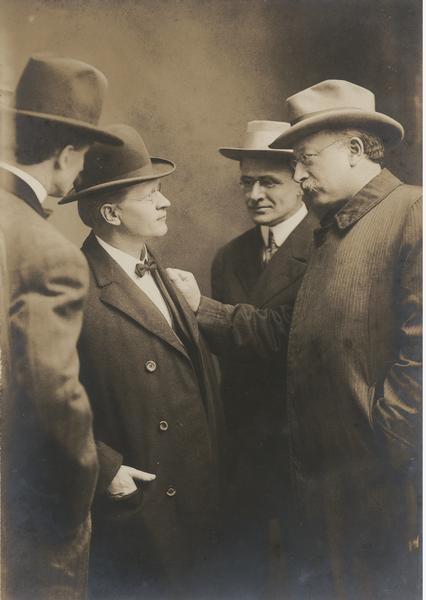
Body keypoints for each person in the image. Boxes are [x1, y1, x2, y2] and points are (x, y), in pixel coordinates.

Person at [168, 80, 422, 599]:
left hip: (372, 478)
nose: (299, 176)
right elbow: (293, 332)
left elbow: (420, 360)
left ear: (355, 150)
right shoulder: (336, 227)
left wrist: (382, 441)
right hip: (325, 480)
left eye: (305, 160)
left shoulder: (412, 213)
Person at [60, 124, 225, 599]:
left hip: (197, 495)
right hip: (143, 504)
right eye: (150, 194)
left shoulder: (165, 273)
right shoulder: (75, 286)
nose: (165, 202)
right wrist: (105, 468)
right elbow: (36, 399)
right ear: (111, 211)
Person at [0, 54, 123, 600]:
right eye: (83, 160)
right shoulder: (50, 252)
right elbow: (55, 397)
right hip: (25, 518)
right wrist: (78, 500)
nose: (79, 174)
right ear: (68, 153)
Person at [211, 120, 317, 596]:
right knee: (240, 570)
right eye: (246, 183)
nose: (254, 194)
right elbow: (224, 353)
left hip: (306, 444)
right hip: (243, 443)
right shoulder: (229, 257)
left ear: (300, 178)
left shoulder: (327, 247)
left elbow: (292, 339)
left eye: (267, 182)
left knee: (308, 571)